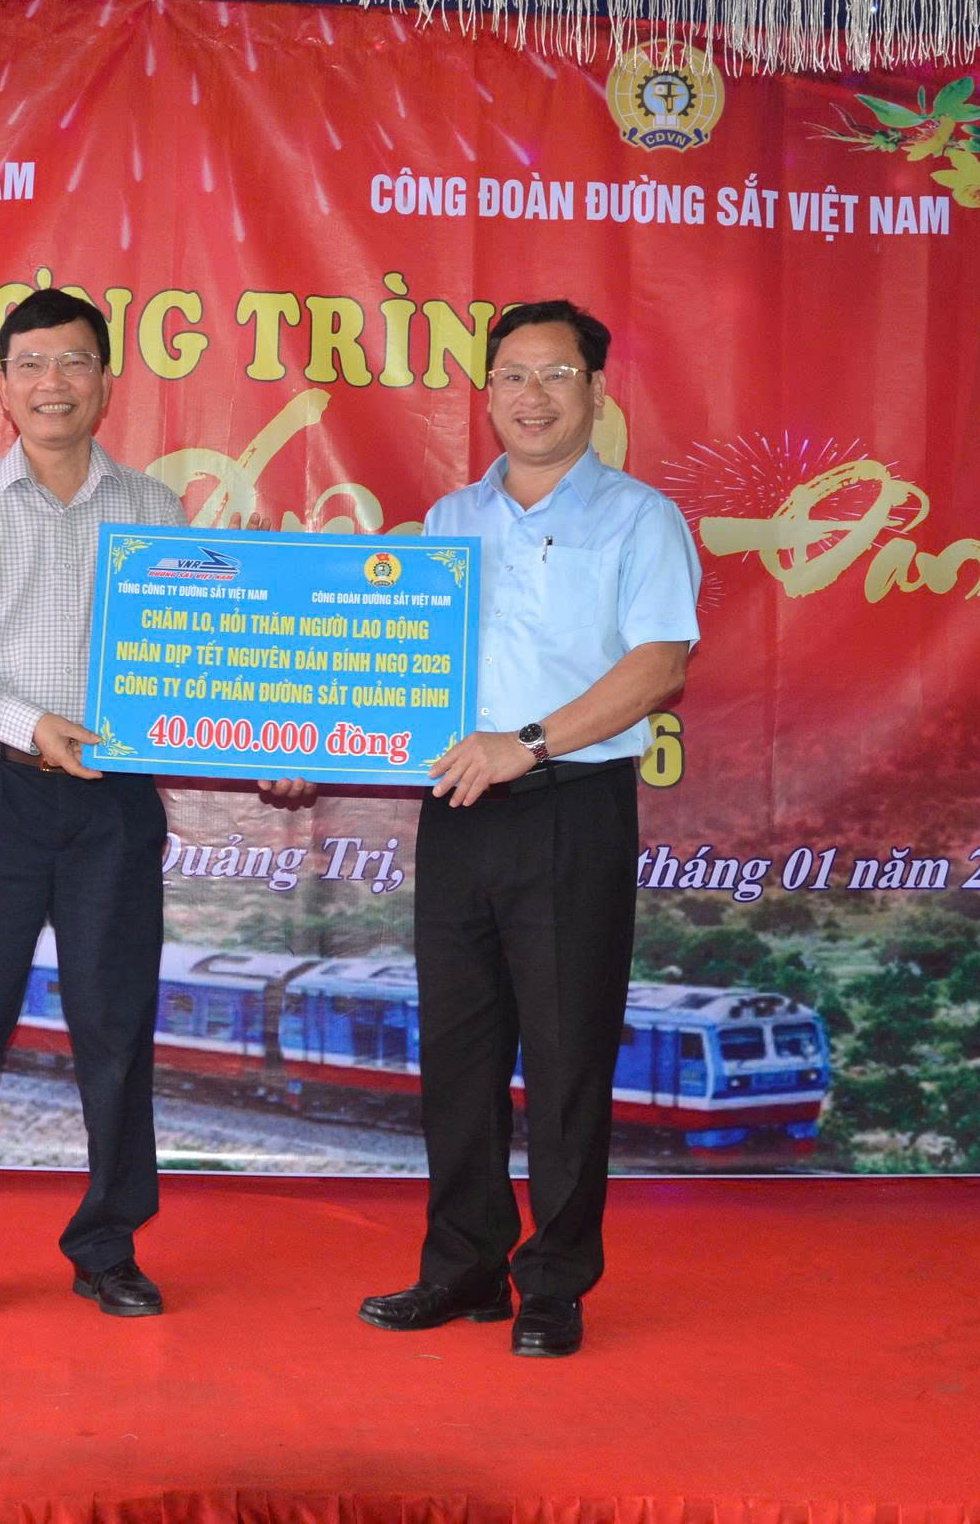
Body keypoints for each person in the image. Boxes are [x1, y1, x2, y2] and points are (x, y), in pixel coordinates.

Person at [357, 298, 701, 1357]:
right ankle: (463, 1266)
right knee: (458, 1053)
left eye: (555, 375)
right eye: (511, 375)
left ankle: (554, 1281)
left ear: (594, 391)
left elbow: (660, 665)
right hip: (457, 810)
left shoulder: (641, 518)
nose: (532, 395)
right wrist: (306, 744)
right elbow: (395, 667)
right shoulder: (448, 522)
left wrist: (531, 743)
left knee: (564, 1054)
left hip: (569, 808)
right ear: (487, 393)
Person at [0, 287, 185, 1319]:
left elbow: (196, 662)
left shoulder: (157, 511)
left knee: (116, 1030)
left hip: (115, 806)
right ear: (5, 388)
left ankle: (108, 1245)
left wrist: (270, 734)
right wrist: (31, 725)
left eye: (74, 362)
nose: (52, 382)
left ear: (106, 384)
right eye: (31, 364)